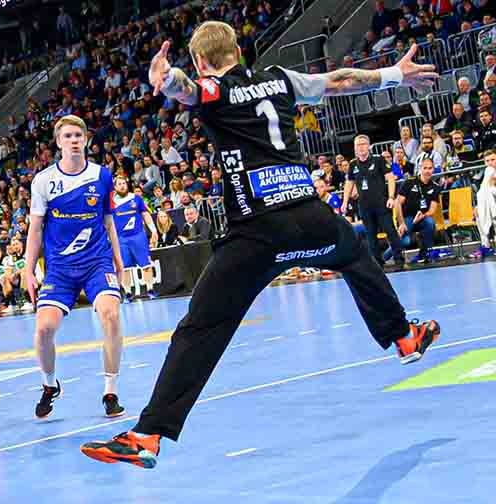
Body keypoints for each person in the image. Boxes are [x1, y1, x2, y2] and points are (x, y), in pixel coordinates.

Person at [81, 22, 441, 468]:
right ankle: (404, 337)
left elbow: (189, 90)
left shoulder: (213, 88)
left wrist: (166, 79)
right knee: (355, 255)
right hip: (312, 219)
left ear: (201, 60)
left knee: (202, 329)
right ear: (238, 50)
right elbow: (340, 81)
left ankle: (148, 434)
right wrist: (393, 75)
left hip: (256, 234)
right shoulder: (281, 78)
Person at [24, 115, 125, 419]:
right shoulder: (43, 181)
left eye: (78, 135)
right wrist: (29, 270)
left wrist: (118, 259)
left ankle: (110, 391)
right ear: (58, 142)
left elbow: (108, 221)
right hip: (60, 268)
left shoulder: (102, 176)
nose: (74, 140)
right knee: (44, 329)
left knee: (111, 314)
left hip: (97, 261)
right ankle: (49, 384)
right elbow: (36, 229)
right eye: (67, 136)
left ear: (86, 140)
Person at [342, 135, 405, 267]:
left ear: (369, 146)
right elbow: (349, 183)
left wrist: (391, 197)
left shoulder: (378, 160)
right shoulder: (353, 164)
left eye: (364, 144)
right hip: (364, 206)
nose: (361, 147)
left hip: (381, 203)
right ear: (354, 148)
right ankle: (377, 262)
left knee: (390, 231)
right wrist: (345, 201)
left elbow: (391, 178)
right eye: (358, 145)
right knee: (370, 236)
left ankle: (399, 260)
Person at [112, 175, 159, 302]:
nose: (123, 186)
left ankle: (150, 289)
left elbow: (145, 214)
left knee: (146, 265)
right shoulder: (111, 202)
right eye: (119, 184)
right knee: (125, 267)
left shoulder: (136, 198)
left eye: (124, 183)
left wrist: (154, 230)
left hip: (138, 236)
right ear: (115, 187)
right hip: (121, 239)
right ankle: (127, 293)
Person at [389, 158, 440, 263]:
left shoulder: (435, 187)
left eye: (430, 168)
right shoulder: (409, 182)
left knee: (430, 222)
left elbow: (432, 209)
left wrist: (423, 216)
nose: (427, 171)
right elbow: (397, 203)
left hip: (421, 219)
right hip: (406, 218)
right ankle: (383, 259)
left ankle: (424, 254)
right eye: (425, 168)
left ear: (433, 169)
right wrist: (402, 223)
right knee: (405, 241)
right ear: (420, 169)